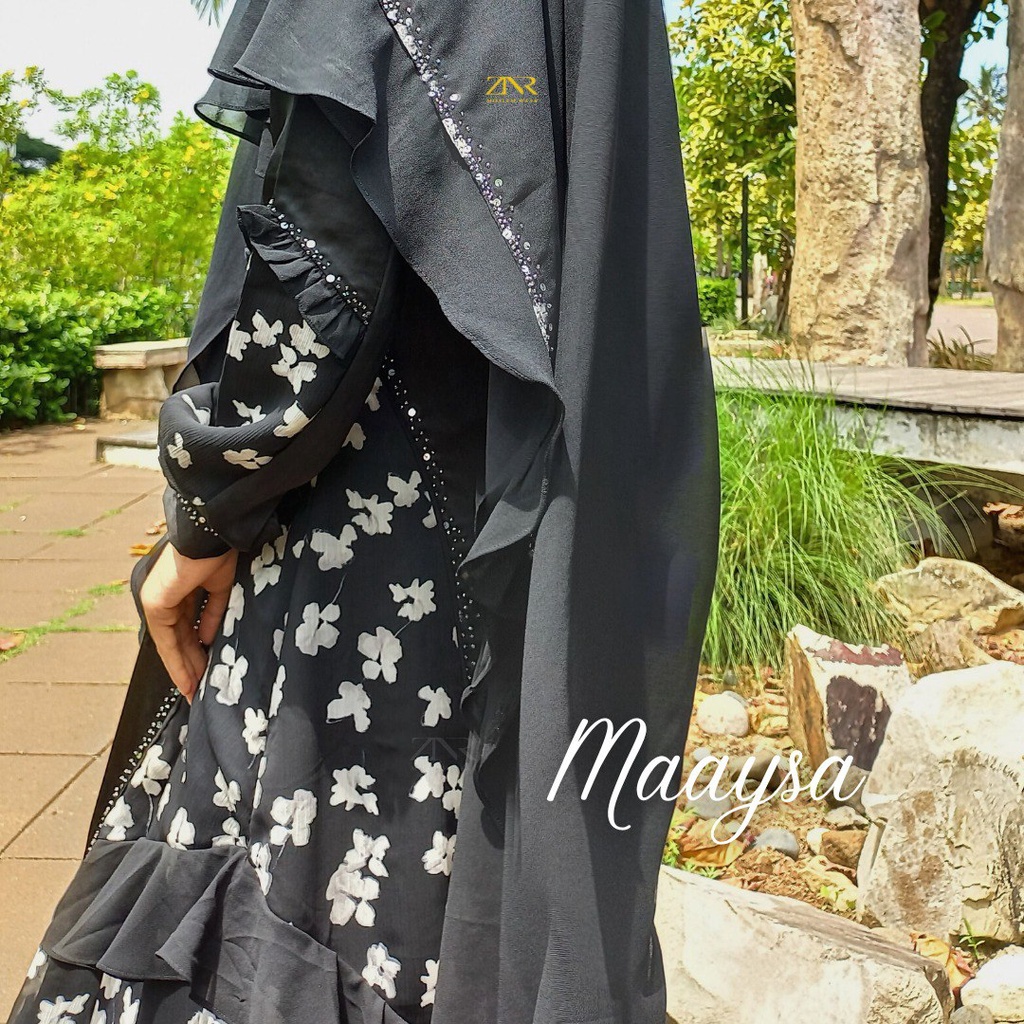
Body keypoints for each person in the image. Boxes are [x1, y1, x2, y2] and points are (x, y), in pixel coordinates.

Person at [6, 1, 720, 1023]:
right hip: (516, 523)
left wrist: (208, 508)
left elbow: (326, 250)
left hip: (355, 542)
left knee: (298, 897)